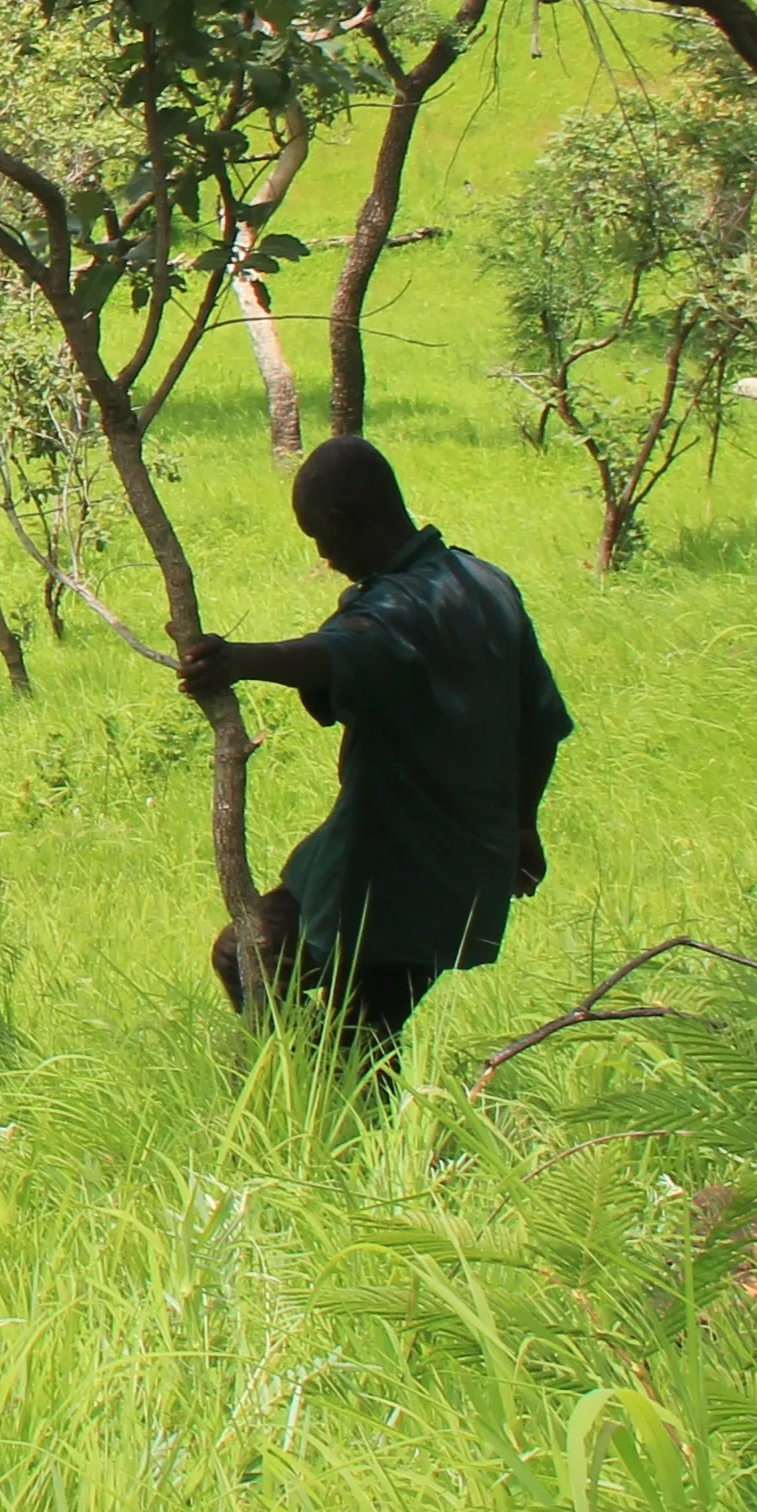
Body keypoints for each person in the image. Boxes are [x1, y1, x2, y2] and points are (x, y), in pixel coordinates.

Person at [175, 435, 575, 1082]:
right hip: (397, 859)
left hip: (398, 885)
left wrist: (240, 660)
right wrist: (521, 824)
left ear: (342, 522)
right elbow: (540, 728)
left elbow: (342, 650)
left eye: (318, 538)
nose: (324, 557)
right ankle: (300, 1085)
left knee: (361, 1046)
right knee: (250, 953)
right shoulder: (488, 585)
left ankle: (348, 1142)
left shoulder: (400, 608)